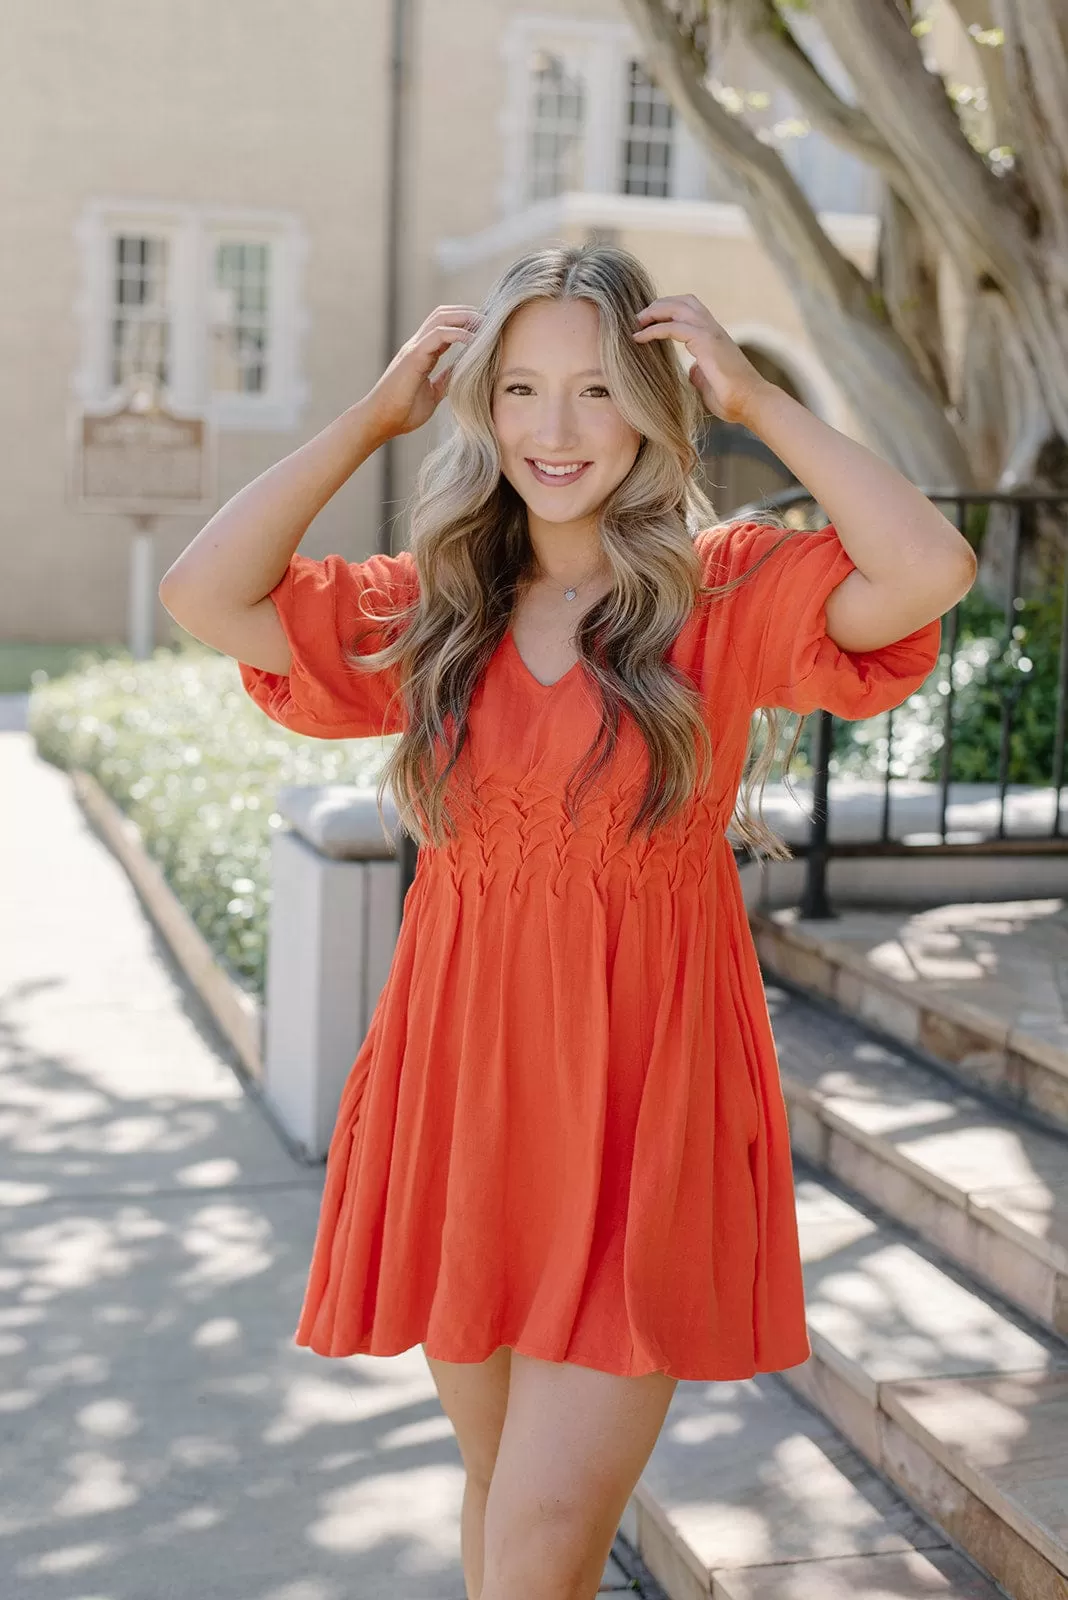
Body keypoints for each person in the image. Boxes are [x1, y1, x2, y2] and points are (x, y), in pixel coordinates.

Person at [159, 243, 976, 1600]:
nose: (556, 429)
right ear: (480, 408)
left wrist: (762, 402)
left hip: (644, 1123)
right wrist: (370, 416)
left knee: (537, 1542)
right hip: (465, 1112)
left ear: (656, 404)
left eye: (597, 391)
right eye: (523, 388)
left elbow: (929, 567)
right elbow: (208, 593)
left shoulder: (720, 593)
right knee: (501, 1506)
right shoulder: (438, 612)